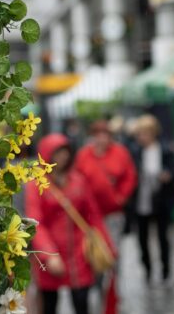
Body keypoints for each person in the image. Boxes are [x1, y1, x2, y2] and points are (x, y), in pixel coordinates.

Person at [27, 133, 113, 314]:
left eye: (65, 151)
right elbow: (36, 222)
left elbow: (93, 215)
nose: (62, 157)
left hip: (79, 253)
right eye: (57, 152)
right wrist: (49, 254)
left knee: (82, 301)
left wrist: (106, 244)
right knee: (49, 304)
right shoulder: (36, 185)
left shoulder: (78, 180)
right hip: (51, 253)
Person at [129, 114, 174, 283]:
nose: (141, 137)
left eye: (144, 133)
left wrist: (168, 175)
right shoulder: (135, 151)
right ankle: (147, 269)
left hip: (161, 199)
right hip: (142, 199)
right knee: (142, 237)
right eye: (139, 134)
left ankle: (165, 269)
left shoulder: (165, 150)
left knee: (163, 236)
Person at [75, 119, 138, 243]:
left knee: (113, 244)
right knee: (95, 246)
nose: (101, 139)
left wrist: (121, 197)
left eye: (105, 135)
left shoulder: (120, 152)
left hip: (113, 210)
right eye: (98, 135)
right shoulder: (83, 154)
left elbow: (130, 176)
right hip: (91, 212)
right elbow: (77, 177)